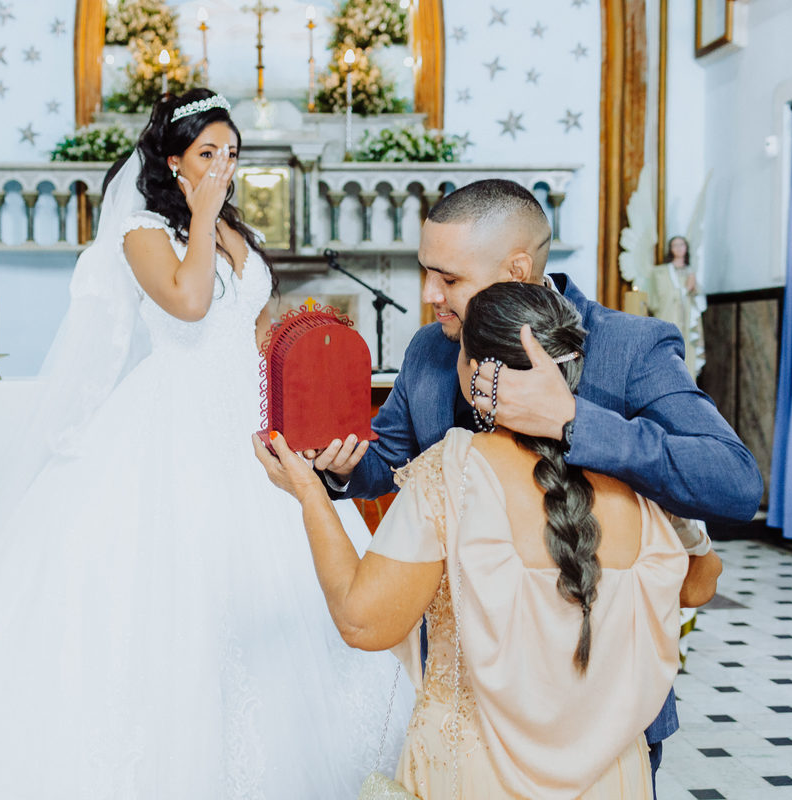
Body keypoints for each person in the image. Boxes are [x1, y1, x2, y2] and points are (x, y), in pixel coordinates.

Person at [0, 89, 404, 798]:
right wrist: (203, 216)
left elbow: (254, 327)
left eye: (232, 154)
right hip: (173, 421)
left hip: (249, 422)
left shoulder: (236, 231)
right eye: (208, 154)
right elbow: (190, 302)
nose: (224, 167)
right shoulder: (143, 231)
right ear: (173, 161)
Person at [308, 180, 758, 785]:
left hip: (603, 718)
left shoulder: (628, 348)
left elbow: (733, 481)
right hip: (474, 716)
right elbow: (386, 461)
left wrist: (574, 422)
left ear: (518, 268)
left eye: (448, 277)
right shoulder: (431, 350)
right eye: (425, 271)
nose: (428, 294)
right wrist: (340, 466)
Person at [255, 281, 716, 799]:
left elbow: (362, 620)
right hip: (613, 780)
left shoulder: (451, 475)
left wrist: (309, 495)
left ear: (476, 374)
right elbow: (698, 585)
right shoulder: (636, 476)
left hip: (474, 776)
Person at [647, 235, 706, 377]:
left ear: (686, 248)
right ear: (670, 249)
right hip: (670, 318)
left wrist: (694, 288)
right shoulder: (661, 272)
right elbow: (656, 299)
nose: (679, 248)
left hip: (688, 323)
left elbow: (700, 303)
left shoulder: (690, 272)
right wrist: (682, 291)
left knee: (688, 356)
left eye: (682, 245)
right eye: (675, 245)